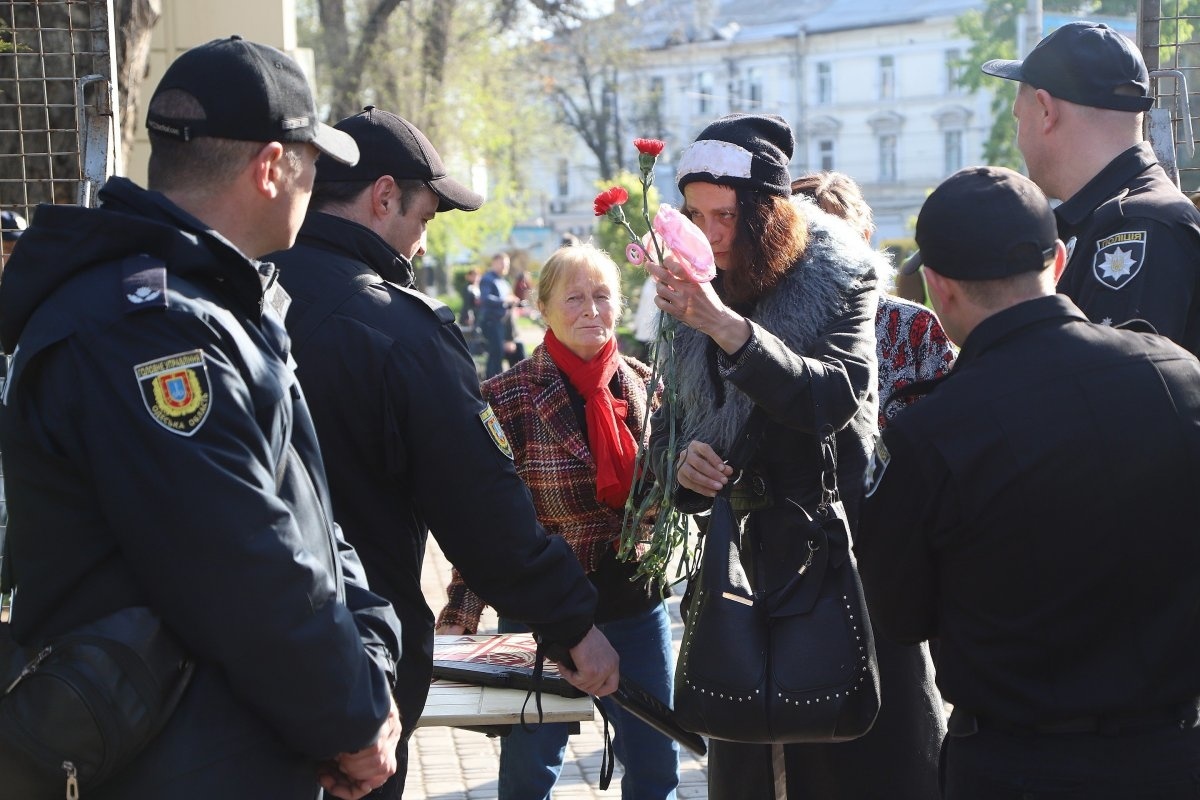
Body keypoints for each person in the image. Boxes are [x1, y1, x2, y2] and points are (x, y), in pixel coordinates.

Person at [0, 37, 402, 799]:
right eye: (313, 162)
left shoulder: (212, 306)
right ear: (271, 167)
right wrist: (349, 717)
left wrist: (370, 668)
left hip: (230, 749)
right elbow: (245, 561)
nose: (316, 183)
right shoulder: (145, 326)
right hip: (172, 761)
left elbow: (309, 521)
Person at [267, 106, 619, 798]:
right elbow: (481, 505)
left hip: (222, 659)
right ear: (385, 195)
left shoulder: (228, 293)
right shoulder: (398, 330)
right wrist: (573, 622)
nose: (423, 247)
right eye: (424, 219)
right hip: (351, 662)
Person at [857, 164, 1200, 799]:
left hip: (1016, 765)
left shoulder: (931, 433)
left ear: (936, 288)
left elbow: (901, 616)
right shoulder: (1179, 378)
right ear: (1061, 261)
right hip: (1174, 754)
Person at [645, 112, 938, 799]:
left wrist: (724, 327)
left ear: (768, 215)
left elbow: (832, 398)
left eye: (725, 216)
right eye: (696, 214)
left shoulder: (841, 277)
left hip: (845, 556)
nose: (710, 234)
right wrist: (685, 472)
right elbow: (671, 441)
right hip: (742, 570)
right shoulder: (686, 287)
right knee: (751, 767)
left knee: (862, 767)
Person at [437, 243, 679, 800]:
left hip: (633, 604)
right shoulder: (506, 397)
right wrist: (461, 615)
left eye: (602, 296)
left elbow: (671, 496)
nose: (591, 310)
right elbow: (484, 522)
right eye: (574, 298)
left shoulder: (645, 385)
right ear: (541, 307)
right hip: (540, 613)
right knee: (529, 774)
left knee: (655, 765)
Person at [982, 20, 1200, 356]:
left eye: (1017, 117)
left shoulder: (1141, 225)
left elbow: (1114, 395)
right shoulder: (1111, 218)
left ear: (1045, 110)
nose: (1018, 138)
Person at [790, 171, 956, 426]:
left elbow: (952, 426)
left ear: (865, 238)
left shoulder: (914, 326)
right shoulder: (759, 323)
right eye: (807, 244)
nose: (819, 258)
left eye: (834, 242)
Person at [479, 252, 525, 377]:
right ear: (494, 263)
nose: (505, 267)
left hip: (505, 324)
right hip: (492, 322)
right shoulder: (488, 279)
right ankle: (490, 385)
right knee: (496, 353)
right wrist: (505, 300)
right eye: (502, 263)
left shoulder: (503, 281)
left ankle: (516, 383)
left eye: (507, 264)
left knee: (518, 349)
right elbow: (485, 298)